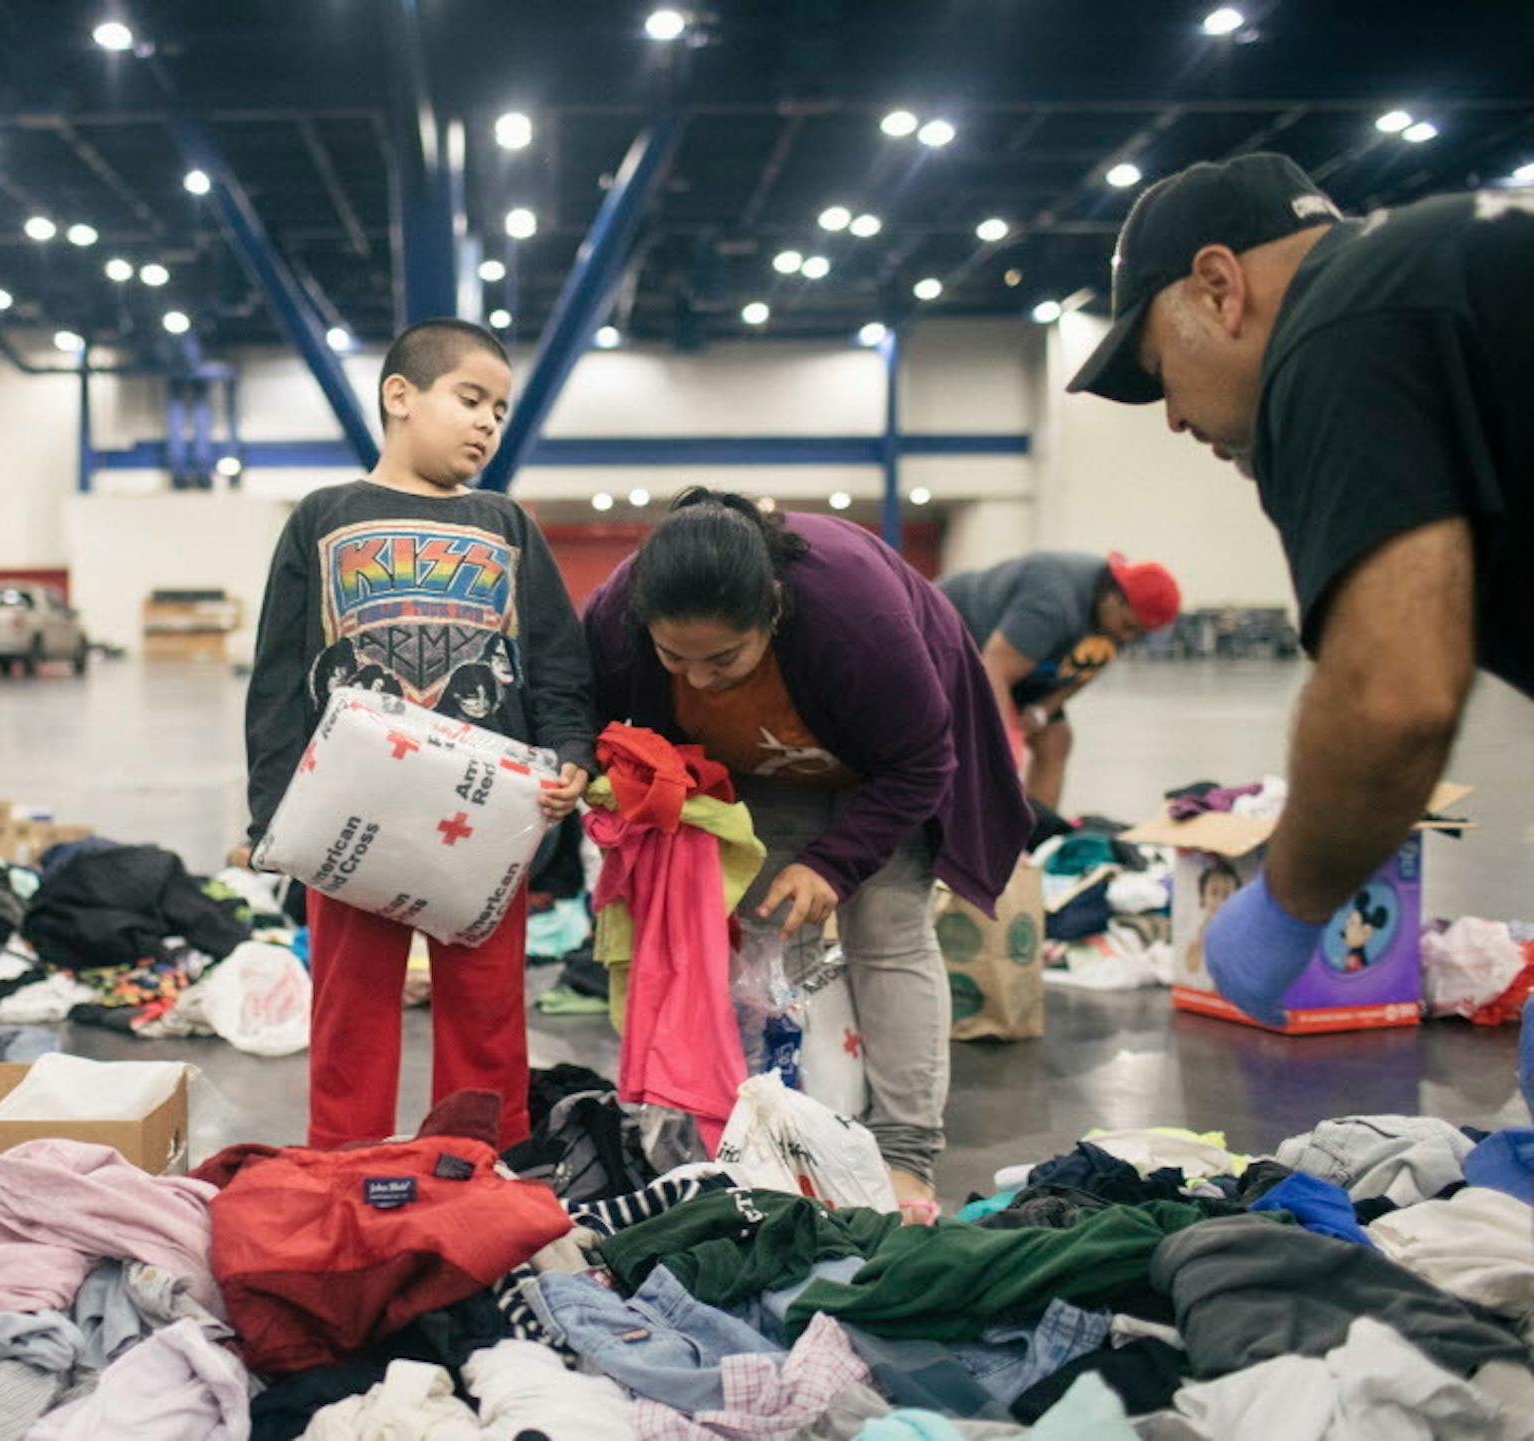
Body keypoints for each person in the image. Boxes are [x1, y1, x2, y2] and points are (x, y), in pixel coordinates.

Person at [1064, 150, 1530, 1093]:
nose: (1174, 420)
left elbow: (1393, 694)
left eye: (1161, 371)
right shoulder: (1428, 280)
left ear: (1219, 287)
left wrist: (1288, 904)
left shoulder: (1338, 325)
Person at [584, 490, 1032, 1217]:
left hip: (887, 770)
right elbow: (581, 712)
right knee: (763, 939)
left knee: (887, 931)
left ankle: (904, 1153)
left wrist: (835, 862)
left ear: (774, 612)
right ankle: (778, 1131)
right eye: (674, 658)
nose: (696, 679)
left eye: (723, 659)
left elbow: (922, 763)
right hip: (761, 774)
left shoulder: (858, 618)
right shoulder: (619, 612)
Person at [244, 318, 595, 1151]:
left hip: (485, 820)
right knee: (349, 1015)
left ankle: (482, 1170)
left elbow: (556, 660)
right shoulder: (323, 516)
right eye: (470, 398)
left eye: (500, 411)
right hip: (350, 813)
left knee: (487, 1021)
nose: (486, 423)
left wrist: (572, 757)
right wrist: (270, 818)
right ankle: (343, 1169)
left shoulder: (507, 524)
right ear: (399, 396)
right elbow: (276, 680)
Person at [938, 551, 1181, 809]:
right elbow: (995, 669)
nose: (1127, 637)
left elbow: (1082, 670)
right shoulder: (1052, 602)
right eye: (1128, 626)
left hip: (1020, 656)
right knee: (988, 754)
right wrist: (1000, 746)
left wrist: (1044, 709)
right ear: (1113, 597)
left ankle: (1038, 835)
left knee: (1055, 740)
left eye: (1138, 633)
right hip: (952, 637)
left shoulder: (1115, 626)